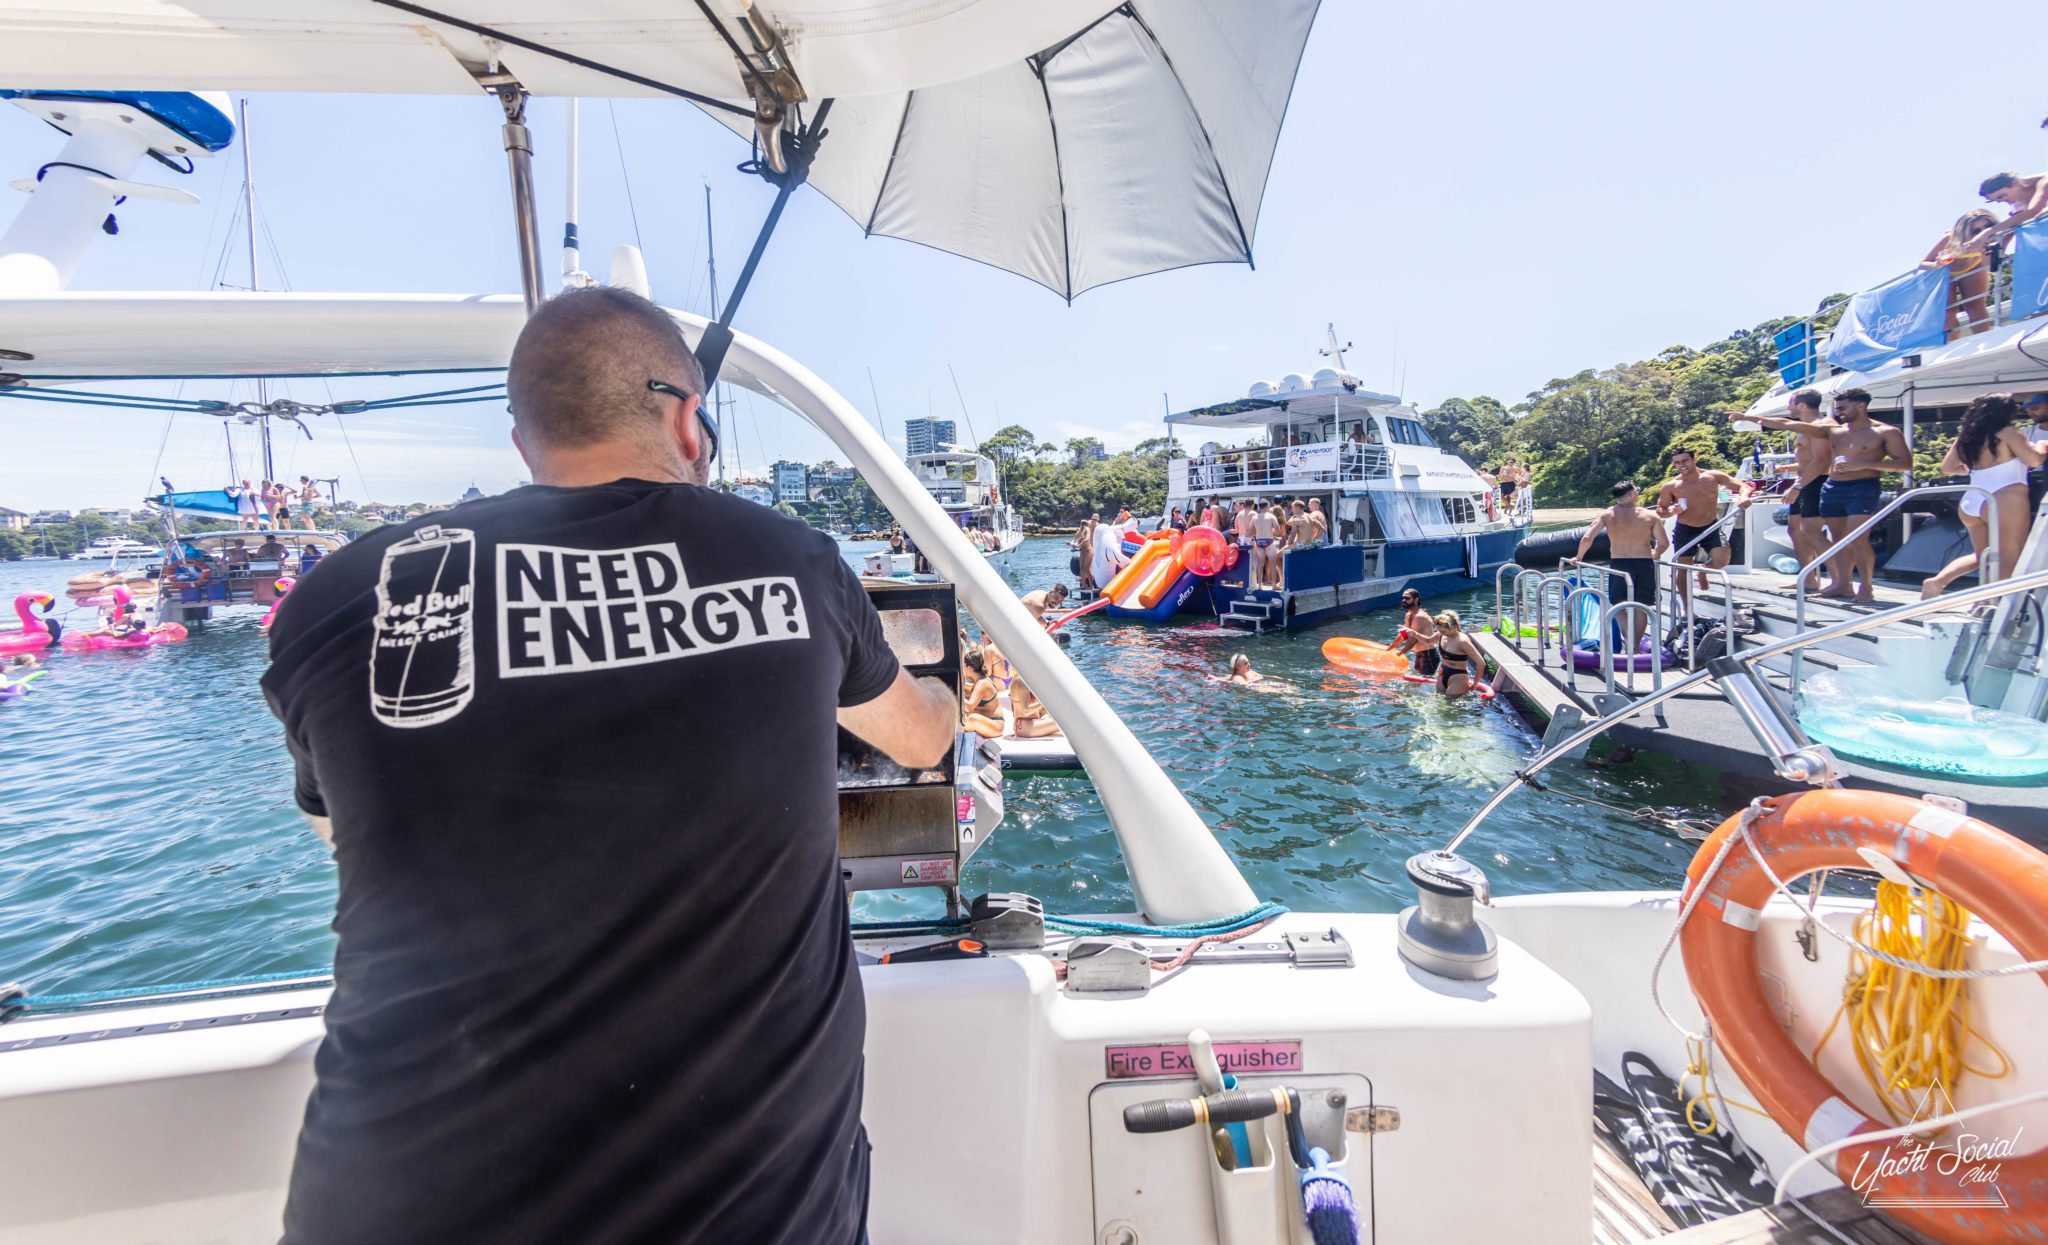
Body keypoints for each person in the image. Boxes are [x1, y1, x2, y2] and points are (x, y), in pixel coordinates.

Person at [258, 286, 956, 1245]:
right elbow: (921, 740)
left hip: (390, 1202)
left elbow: (339, 829)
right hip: (749, 1214)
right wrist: (956, 699)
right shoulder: (789, 560)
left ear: (524, 442)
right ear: (686, 419)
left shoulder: (339, 598)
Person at [1750, 389, 1911, 603]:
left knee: (1858, 538)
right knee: (1838, 540)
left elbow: (1904, 463)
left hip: (1863, 487)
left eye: (1843, 408)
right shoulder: (1835, 431)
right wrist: (1749, 418)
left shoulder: (1885, 432)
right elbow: (1789, 424)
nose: (1839, 413)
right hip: (1833, 487)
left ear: (1861, 406)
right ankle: (1843, 585)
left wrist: (1862, 464)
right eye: (1837, 408)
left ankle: (1866, 587)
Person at [1921, 394, 2045, 598]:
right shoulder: (2008, 432)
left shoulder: (1968, 435)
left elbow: (1948, 467)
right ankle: (1991, 605)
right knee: (2009, 556)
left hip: (1972, 500)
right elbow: (2033, 461)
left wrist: (1977, 469)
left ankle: (1937, 582)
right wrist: (2041, 447)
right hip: (2005, 497)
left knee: (1982, 556)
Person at [1653, 448, 1754, 610]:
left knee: (1722, 559)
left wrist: (1744, 496)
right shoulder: (1671, 486)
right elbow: (1660, 511)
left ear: (1694, 459)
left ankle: (1703, 571)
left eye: (1685, 461)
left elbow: (1744, 486)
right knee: (1683, 569)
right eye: (1677, 463)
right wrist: (1671, 512)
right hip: (1685, 530)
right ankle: (1687, 608)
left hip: (1710, 526)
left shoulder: (1713, 476)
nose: (1681, 465)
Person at [1577, 480, 1670, 651]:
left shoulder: (1607, 515)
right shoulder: (1650, 516)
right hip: (1644, 563)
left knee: (1618, 603)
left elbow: (1588, 537)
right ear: (1631, 494)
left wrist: (1579, 556)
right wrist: (1655, 554)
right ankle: (1634, 646)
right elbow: (1663, 543)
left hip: (1620, 563)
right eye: (1636, 491)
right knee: (1642, 606)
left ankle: (1629, 637)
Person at [1777, 390, 1840, 594]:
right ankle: (1809, 578)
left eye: (1791, 403)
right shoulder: (1807, 428)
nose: (1789, 407)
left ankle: (1839, 580)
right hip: (1804, 481)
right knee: (1794, 529)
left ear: (1801, 405)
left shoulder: (1823, 425)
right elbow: (1809, 459)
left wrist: (1798, 486)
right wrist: (1790, 470)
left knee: (1812, 531)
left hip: (1816, 482)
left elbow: (1822, 461)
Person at [1920, 209, 1999, 337]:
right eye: (1975, 231)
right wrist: (1936, 264)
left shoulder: (1994, 239)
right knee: (1948, 312)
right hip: (1944, 272)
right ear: (1964, 231)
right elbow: (1922, 264)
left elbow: (1990, 267)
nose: (1982, 233)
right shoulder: (1949, 239)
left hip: (1973, 268)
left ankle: (1985, 339)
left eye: (1987, 227)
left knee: (1975, 307)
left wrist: (1986, 253)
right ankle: (1953, 343)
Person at [1977, 171, 2048, 247]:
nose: (2003, 201)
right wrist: (2001, 249)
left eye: (2002, 196)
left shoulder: (2044, 181)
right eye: (1997, 200)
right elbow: (2016, 222)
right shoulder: (2020, 199)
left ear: (2015, 182)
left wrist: (1987, 231)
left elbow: (2032, 211)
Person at [1431, 610, 1486, 699]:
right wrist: (1414, 633)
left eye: (1443, 631)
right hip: (1443, 672)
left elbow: (1481, 663)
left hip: (1458, 676)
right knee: (1438, 699)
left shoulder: (1462, 641)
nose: (1440, 633)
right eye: (1439, 630)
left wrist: (1475, 684)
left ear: (1454, 626)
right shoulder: (1442, 634)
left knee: (1450, 706)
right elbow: (1428, 641)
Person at [1389, 587, 1442, 677]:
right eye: (1403, 598)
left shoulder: (1420, 616)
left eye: (1407, 598)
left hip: (1428, 654)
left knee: (1424, 682)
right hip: (1419, 654)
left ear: (1416, 599)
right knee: (1416, 681)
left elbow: (1413, 640)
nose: (1404, 600)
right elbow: (1403, 635)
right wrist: (1388, 649)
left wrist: (1399, 653)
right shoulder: (1408, 615)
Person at [961, 649, 1005, 739]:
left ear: (970, 668)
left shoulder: (982, 683)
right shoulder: (980, 681)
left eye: (963, 666)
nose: (963, 668)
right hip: (988, 723)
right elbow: (966, 688)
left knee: (971, 719)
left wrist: (953, 692)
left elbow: (969, 708)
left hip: (995, 725)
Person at [1252, 501, 1282, 590]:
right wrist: (1273, 532)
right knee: (1272, 563)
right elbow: (1278, 530)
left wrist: (1258, 533)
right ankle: (1273, 585)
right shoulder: (1271, 516)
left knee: (1260, 564)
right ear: (1267, 506)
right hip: (1268, 541)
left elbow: (1250, 531)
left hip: (1259, 541)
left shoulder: (1255, 517)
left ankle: (1260, 585)